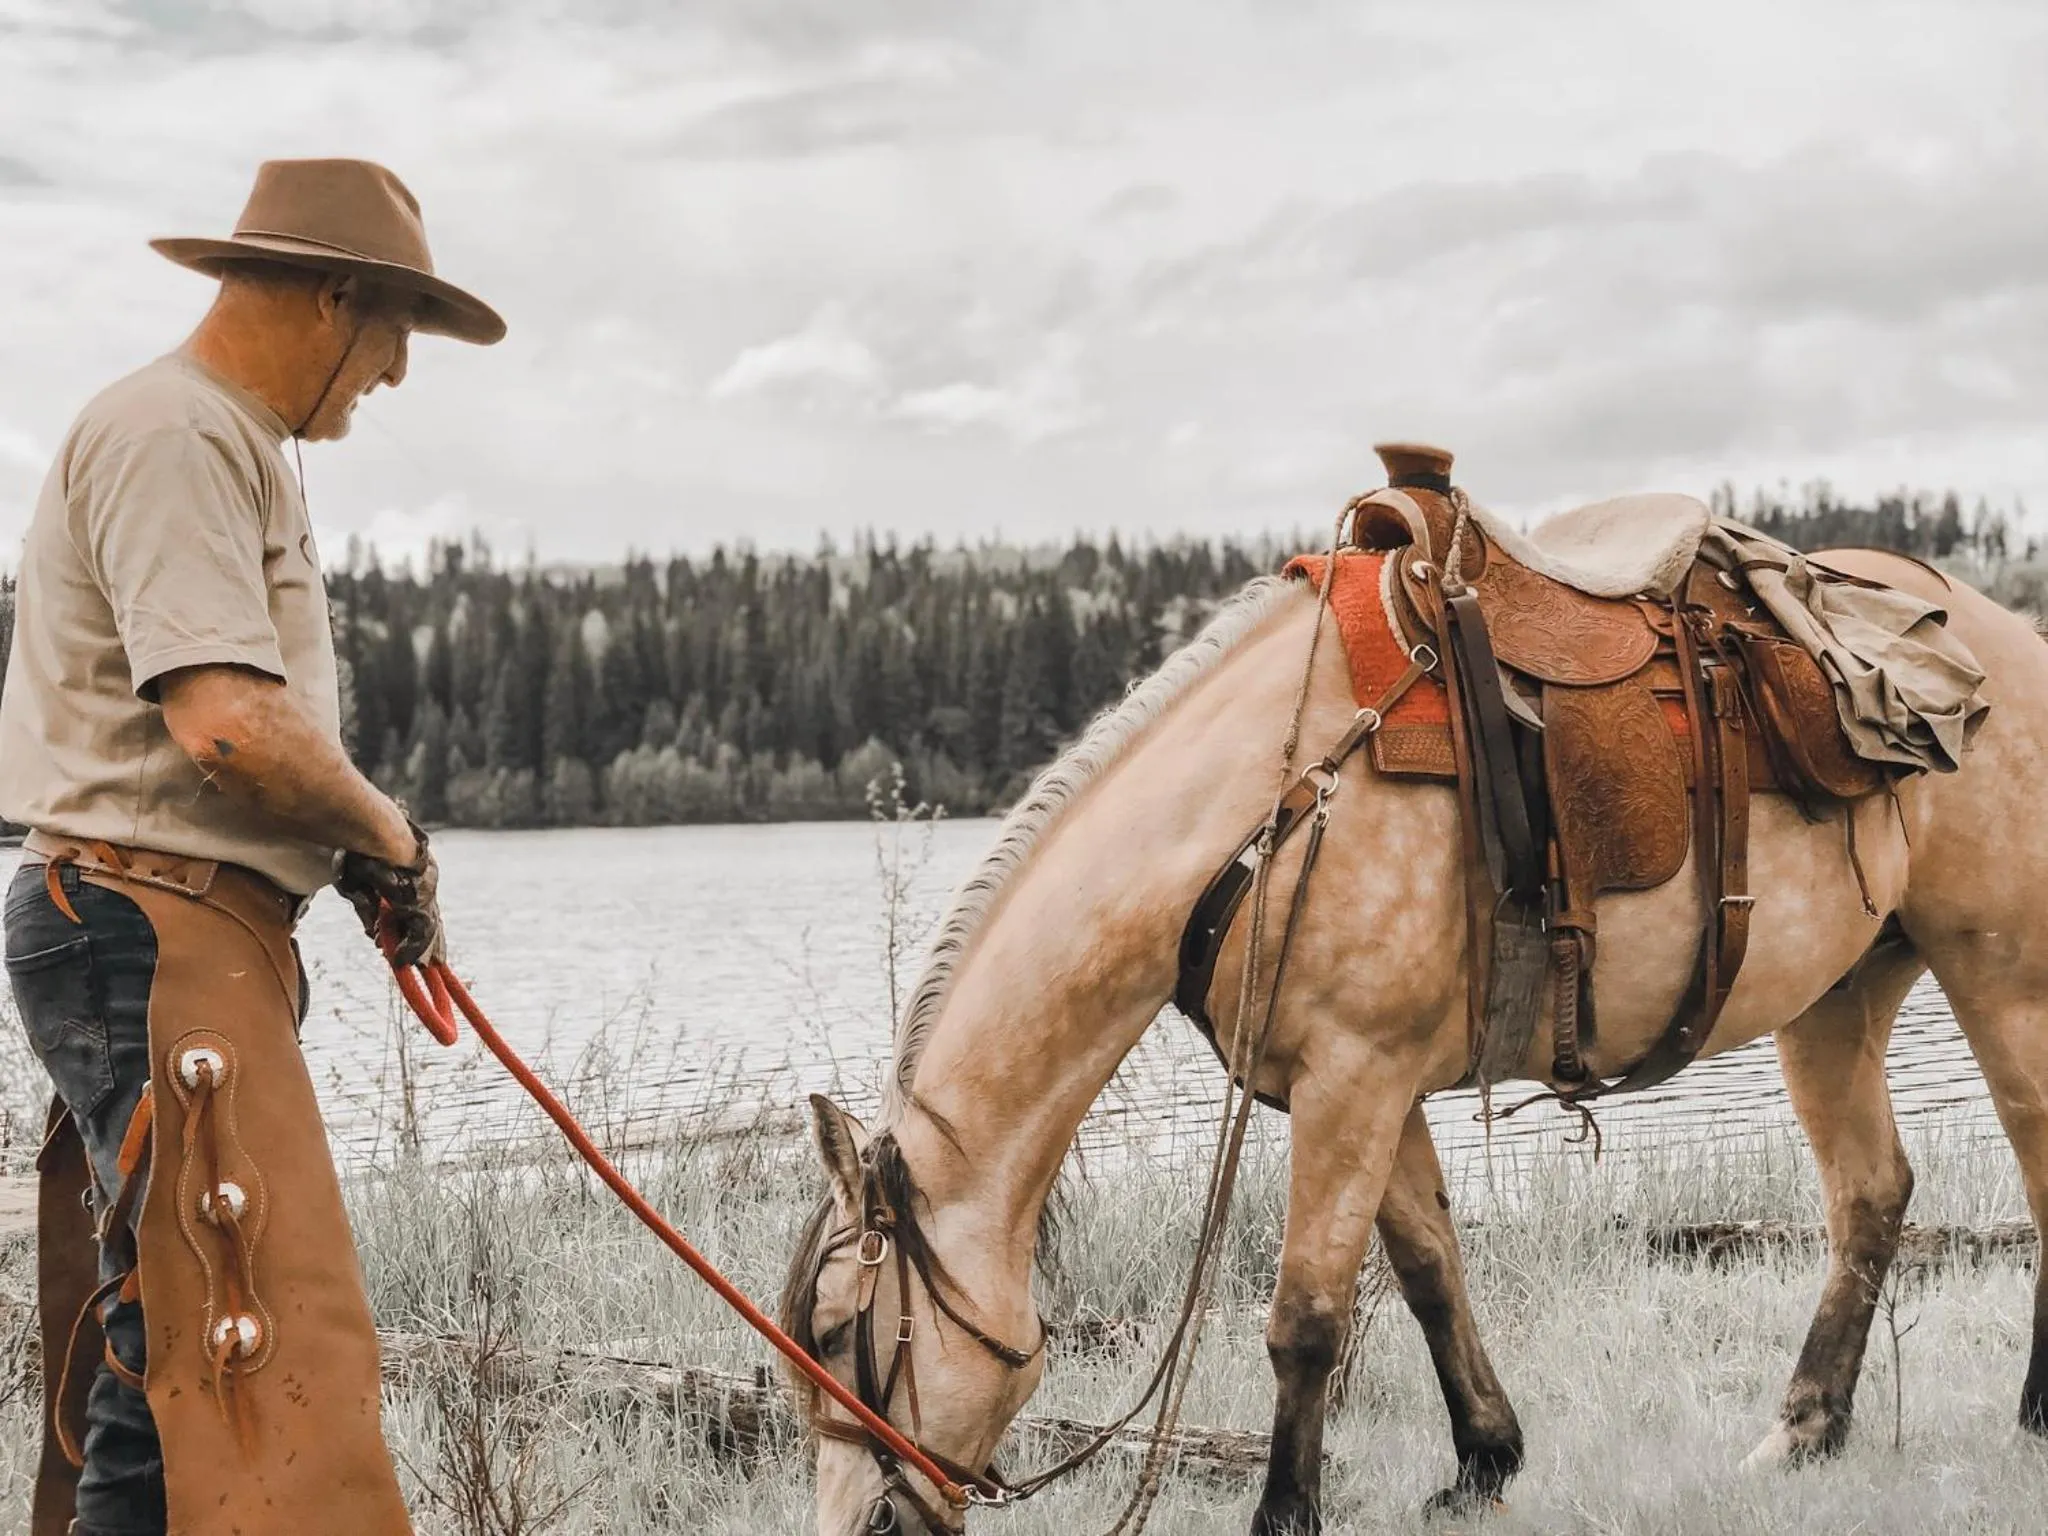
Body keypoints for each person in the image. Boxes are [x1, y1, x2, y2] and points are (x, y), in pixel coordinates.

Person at [0, 158, 504, 1536]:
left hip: (167, 927)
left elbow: (228, 743)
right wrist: (390, 835)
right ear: (337, 297)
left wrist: (343, 855)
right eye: (400, 333)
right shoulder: (179, 431)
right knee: (218, 1357)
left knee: (199, 1350)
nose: (394, 377)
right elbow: (227, 724)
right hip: (151, 930)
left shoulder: (206, 434)